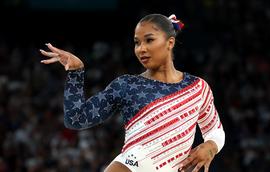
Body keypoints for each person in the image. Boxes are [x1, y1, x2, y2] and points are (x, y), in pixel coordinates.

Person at [40, 13, 225, 172]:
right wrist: (75, 72)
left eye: (149, 40)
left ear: (170, 43)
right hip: (131, 164)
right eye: (137, 42)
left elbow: (215, 130)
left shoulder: (197, 87)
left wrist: (211, 146)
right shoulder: (127, 85)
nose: (141, 49)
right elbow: (75, 119)